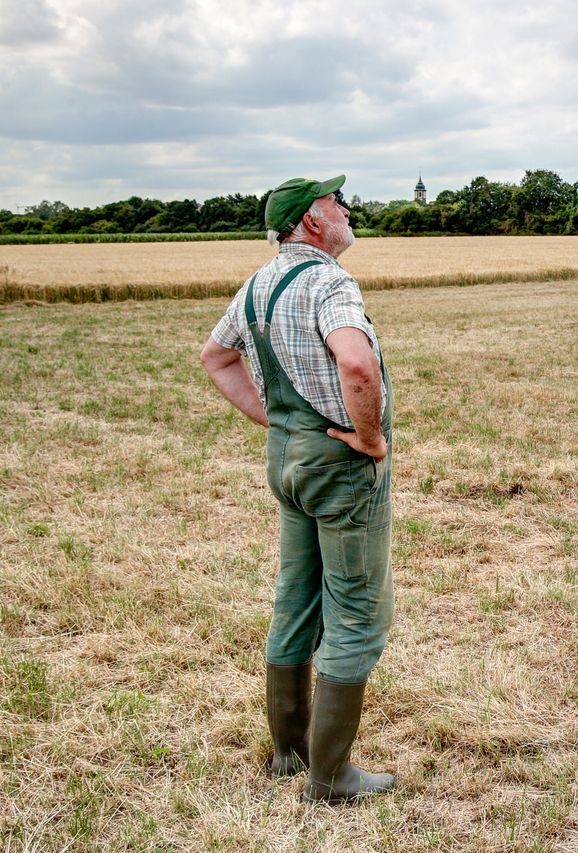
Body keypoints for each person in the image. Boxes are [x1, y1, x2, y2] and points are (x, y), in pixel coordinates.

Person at [199, 175, 395, 803]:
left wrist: (275, 422)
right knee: (357, 610)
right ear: (313, 223)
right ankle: (331, 776)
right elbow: (356, 363)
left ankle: (289, 753)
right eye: (336, 203)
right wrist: (368, 439)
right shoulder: (329, 283)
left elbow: (216, 357)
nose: (346, 209)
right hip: (336, 465)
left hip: (286, 460)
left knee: (296, 598)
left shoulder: (257, 284)